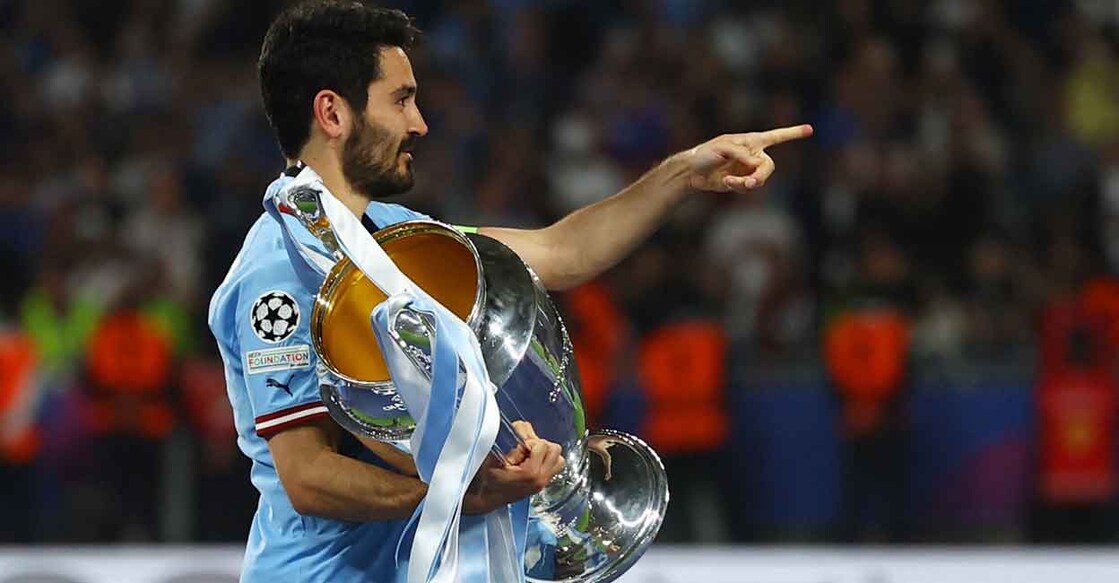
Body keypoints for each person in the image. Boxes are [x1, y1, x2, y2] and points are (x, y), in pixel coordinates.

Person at [207, 1, 812, 581]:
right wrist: (460, 495)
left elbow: (561, 252)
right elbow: (307, 476)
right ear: (333, 114)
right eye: (402, 100)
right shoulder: (277, 273)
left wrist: (683, 173)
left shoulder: (394, 236)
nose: (420, 123)